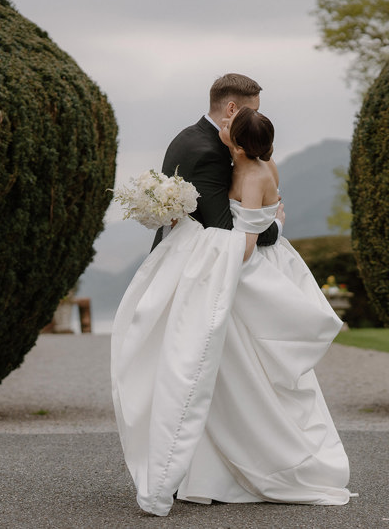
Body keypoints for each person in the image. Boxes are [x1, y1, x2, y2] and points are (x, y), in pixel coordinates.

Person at [111, 107, 352, 517]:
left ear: (236, 143)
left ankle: (268, 461)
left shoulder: (256, 173)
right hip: (244, 256)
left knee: (248, 364)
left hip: (249, 266)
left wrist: (199, 245)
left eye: (230, 129)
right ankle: (213, 467)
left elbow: (245, 241)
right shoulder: (237, 160)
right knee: (231, 368)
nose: (223, 129)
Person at [151, 73, 283, 249]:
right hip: (192, 260)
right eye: (253, 111)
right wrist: (275, 225)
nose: (255, 118)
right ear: (231, 109)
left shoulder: (190, 135)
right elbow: (224, 229)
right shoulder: (208, 154)